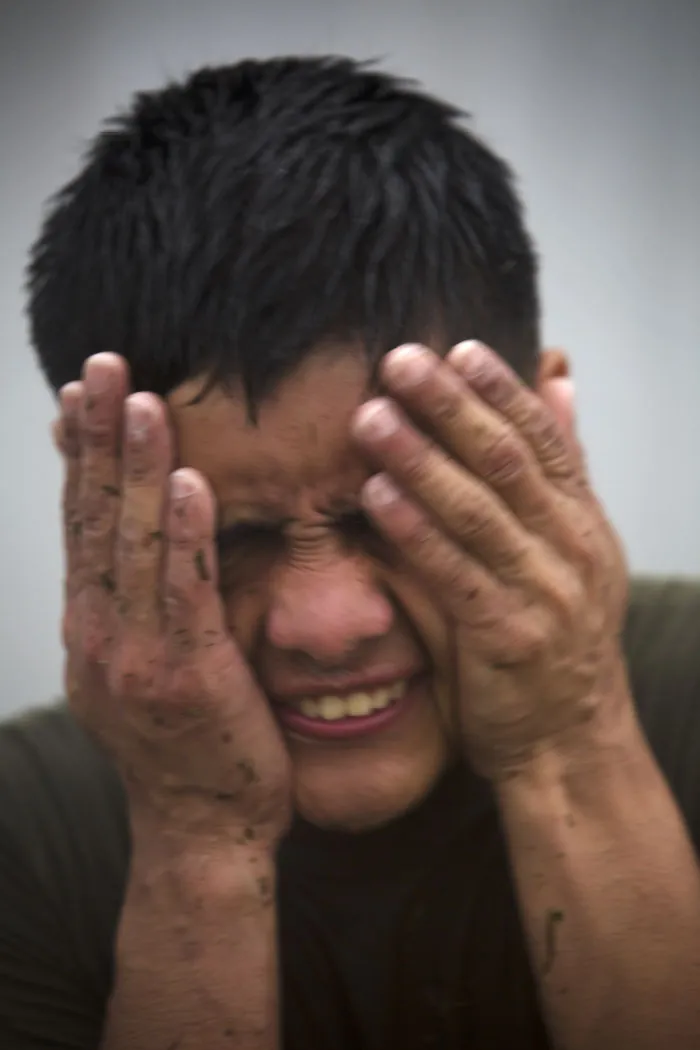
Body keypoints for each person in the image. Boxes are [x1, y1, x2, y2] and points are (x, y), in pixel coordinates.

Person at [1, 55, 699, 1050]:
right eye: (229, 539)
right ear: (105, 500)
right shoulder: (27, 834)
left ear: (542, 431)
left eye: (394, 508)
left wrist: (569, 736)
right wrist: (198, 836)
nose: (327, 626)